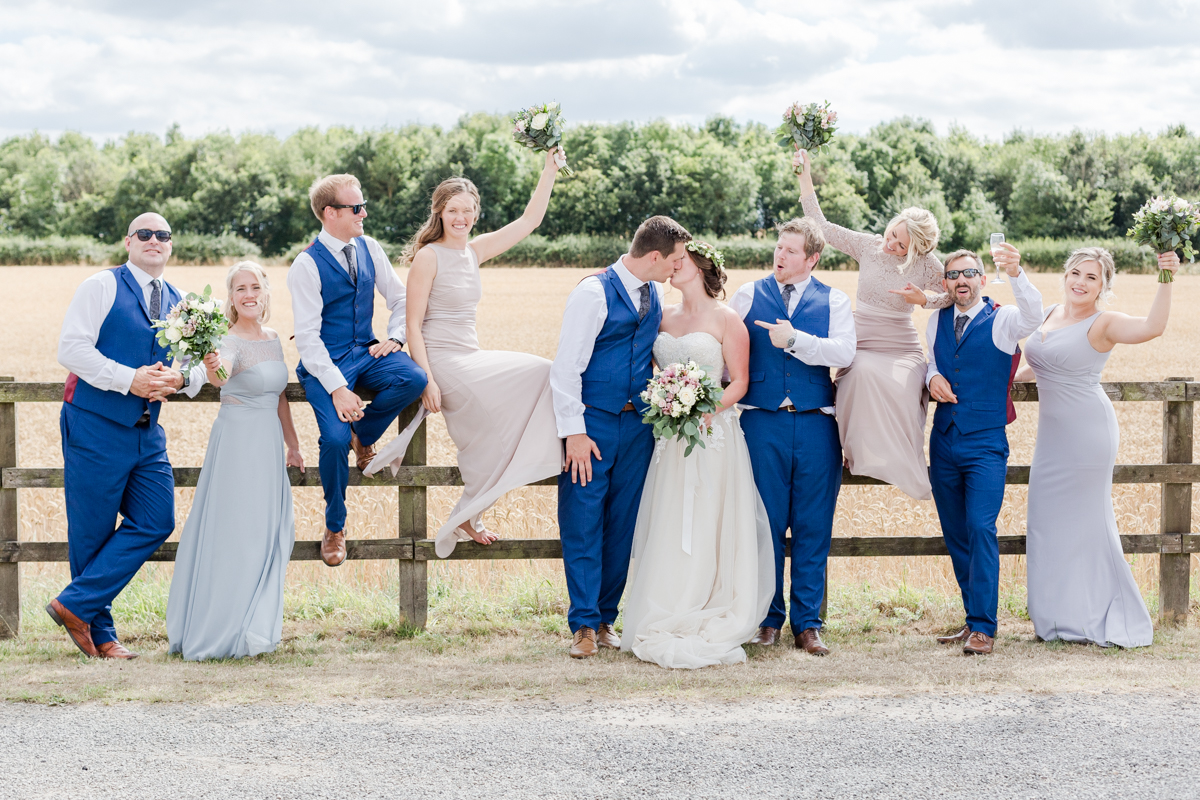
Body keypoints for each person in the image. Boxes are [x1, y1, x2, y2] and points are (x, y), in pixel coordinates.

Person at [364, 150, 566, 557]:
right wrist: (429, 380)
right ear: (439, 212)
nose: (461, 218)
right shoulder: (428, 256)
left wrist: (549, 171)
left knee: (543, 377)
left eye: (468, 211)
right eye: (453, 210)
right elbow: (413, 325)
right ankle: (470, 514)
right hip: (442, 360)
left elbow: (530, 221)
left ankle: (470, 513)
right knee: (514, 406)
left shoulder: (474, 252)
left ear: (476, 214)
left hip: (470, 356)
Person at [50, 212, 207, 659]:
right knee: (92, 532)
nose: (154, 240)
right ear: (128, 242)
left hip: (147, 431)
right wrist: (128, 380)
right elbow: (71, 348)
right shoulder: (101, 286)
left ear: (171, 246)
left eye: (163, 235)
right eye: (145, 233)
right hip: (95, 424)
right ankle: (102, 636)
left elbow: (198, 365)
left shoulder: (182, 301)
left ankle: (73, 605)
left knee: (157, 519)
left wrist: (181, 381)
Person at [620, 241, 774, 669]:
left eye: (680, 261)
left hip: (713, 436)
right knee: (669, 516)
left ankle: (710, 598)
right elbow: (651, 372)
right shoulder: (661, 316)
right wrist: (668, 404)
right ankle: (668, 601)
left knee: (710, 515)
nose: (671, 266)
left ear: (701, 267)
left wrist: (704, 411)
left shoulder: (729, 321)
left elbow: (739, 382)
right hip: (670, 439)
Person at [1018, 247, 1178, 648]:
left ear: (1104, 285)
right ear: (1065, 275)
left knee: (1087, 526)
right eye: (1076, 272)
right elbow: (1032, 367)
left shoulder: (1103, 323)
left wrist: (1166, 277)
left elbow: (1152, 327)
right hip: (1051, 439)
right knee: (1046, 523)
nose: (1081, 282)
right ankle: (1053, 620)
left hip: (1087, 435)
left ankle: (1096, 617)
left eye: (1091, 277)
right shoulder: (1050, 312)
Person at [551, 215, 691, 659]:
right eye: (674, 261)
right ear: (654, 257)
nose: (677, 268)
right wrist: (573, 432)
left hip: (639, 427)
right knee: (583, 521)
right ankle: (583, 625)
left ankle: (607, 618)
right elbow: (565, 367)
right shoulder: (592, 293)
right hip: (591, 426)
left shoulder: (654, 290)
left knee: (623, 526)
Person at [731, 217, 857, 655]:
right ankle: (766, 620)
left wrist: (796, 339)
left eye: (789, 251)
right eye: (778, 248)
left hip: (817, 424)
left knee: (812, 526)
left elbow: (845, 351)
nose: (779, 256)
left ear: (812, 258)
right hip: (761, 424)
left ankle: (808, 624)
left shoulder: (834, 300)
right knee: (762, 524)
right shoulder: (748, 294)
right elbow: (729, 348)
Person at [288, 174, 428, 567]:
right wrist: (336, 388)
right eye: (356, 208)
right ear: (330, 213)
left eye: (363, 205)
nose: (364, 213)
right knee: (332, 442)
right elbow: (308, 339)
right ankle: (335, 525)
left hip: (366, 351)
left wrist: (397, 338)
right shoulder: (306, 265)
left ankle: (361, 437)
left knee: (413, 377)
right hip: (324, 363)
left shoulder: (369, 247)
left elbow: (400, 299)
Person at [794, 149, 950, 500]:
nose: (891, 243)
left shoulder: (928, 265)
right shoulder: (868, 245)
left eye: (901, 244)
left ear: (917, 249)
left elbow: (957, 293)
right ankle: (856, 455)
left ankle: (897, 461)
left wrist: (924, 300)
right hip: (861, 338)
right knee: (860, 373)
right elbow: (822, 226)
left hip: (901, 345)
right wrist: (805, 176)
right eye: (893, 234)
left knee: (905, 384)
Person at [167, 262, 303, 660]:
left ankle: (254, 622)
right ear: (230, 297)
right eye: (240, 288)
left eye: (255, 287)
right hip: (238, 442)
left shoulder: (274, 337)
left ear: (265, 292)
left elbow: (279, 396)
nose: (249, 294)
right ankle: (222, 628)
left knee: (266, 531)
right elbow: (220, 377)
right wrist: (211, 363)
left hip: (268, 443)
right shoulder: (225, 340)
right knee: (237, 531)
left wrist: (292, 445)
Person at [926, 246, 1043, 655]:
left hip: (985, 443)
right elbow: (929, 362)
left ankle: (985, 628)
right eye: (954, 275)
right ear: (945, 283)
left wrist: (1016, 273)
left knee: (980, 528)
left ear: (981, 279)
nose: (961, 281)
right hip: (943, 440)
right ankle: (971, 617)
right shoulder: (936, 319)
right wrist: (932, 377)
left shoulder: (1003, 320)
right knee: (957, 533)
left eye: (969, 273)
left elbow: (1033, 317)